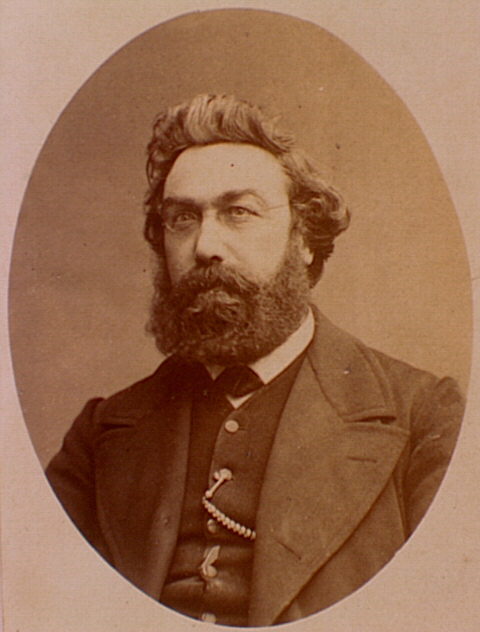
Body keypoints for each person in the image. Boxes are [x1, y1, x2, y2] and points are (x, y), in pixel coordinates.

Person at [46, 94, 464, 627]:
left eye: (238, 212)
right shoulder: (100, 434)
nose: (205, 246)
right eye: (182, 218)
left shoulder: (421, 417)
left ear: (304, 238)